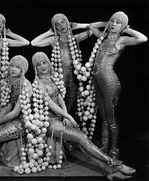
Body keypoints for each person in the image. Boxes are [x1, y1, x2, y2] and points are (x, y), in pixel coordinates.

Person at [30, 52, 135, 180]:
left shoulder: (51, 78)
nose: (42, 66)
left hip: (59, 117)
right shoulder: (38, 84)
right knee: (82, 138)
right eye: (39, 65)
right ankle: (115, 164)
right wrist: (69, 117)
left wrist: (65, 116)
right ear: (35, 68)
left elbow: (60, 100)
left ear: (48, 63)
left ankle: (109, 171)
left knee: (81, 141)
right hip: (48, 122)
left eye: (44, 62)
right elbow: (51, 105)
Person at [88, 11, 147, 159]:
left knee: (111, 118)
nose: (114, 24)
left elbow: (143, 38)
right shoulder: (103, 37)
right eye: (113, 21)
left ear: (123, 26)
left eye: (118, 22)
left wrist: (126, 29)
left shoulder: (121, 40)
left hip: (110, 82)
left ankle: (114, 149)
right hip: (96, 80)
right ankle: (104, 145)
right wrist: (106, 23)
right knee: (103, 118)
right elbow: (91, 26)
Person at [31, 13, 92, 114]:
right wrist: (49, 32)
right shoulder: (54, 40)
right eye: (57, 24)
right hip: (59, 79)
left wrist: (76, 25)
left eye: (63, 21)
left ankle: (66, 122)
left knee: (68, 109)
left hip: (74, 80)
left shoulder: (76, 38)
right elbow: (34, 43)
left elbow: (92, 28)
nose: (61, 25)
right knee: (58, 107)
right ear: (55, 28)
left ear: (67, 23)